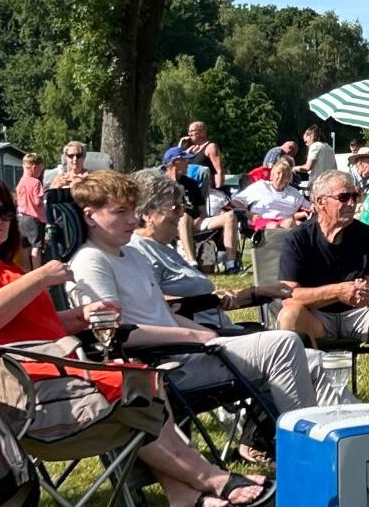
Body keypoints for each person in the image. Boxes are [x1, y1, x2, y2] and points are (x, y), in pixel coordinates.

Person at [0, 176, 271, 507]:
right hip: (12, 386)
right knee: (133, 392)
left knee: (141, 385)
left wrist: (79, 317)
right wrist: (38, 278)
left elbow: (29, 324)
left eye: (6, 212)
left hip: (33, 368)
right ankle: (213, 479)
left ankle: (182, 495)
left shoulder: (2, 263)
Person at [123, 174, 342, 410]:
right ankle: (305, 439)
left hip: (219, 336)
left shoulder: (165, 249)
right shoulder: (140, 251)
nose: (181, 213)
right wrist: (210, 305)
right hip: (197, 348)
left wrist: (256, 291)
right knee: (289, 347)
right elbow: (155, 304)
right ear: (146, 213)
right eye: (174, 207)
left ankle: (345, 428)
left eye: (182, 206)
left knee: (312, 360)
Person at [277, 170, 369, 348]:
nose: (351, 203)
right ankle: (307, 373)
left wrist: (368, 295)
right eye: (343, 197)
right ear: (320, 202)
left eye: (355, 196)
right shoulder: (298, 238)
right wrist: (338, 292)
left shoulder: (367, 235)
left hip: (359, 315)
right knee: (289, 315)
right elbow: (288, 296)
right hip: (316, 318)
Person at [163, 147, 242, 273]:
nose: (188, 163)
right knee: (184, 217)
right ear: (174, 162)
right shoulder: (162, 184)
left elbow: (202, 210)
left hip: (196, 222)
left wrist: (201, 218)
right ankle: (192, 262)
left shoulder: (191, 183)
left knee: (230, 216)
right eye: (184, 160)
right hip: (172, 223)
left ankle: (231, 264)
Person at [230, 157, 311, 231]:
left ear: (289, 179)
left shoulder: (294, 192)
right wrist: (249, 215)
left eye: (285, 175)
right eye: (278, 173)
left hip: (286, 222)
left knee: (296, 224)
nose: (281, 177)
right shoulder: (261, 186)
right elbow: (236, 201)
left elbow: (310, 207)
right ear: (272, 175)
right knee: (274, 226)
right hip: (263, 221)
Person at [14, 152, 46, 256]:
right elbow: (37, 202)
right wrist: (42, 201)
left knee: (25, 248)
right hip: (34, 219)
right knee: (36, 247)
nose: (41, 173)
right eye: (40, 170)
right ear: (34, 167)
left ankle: (26, 271)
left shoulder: (20, 183)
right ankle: (38, 270)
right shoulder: (36, 182)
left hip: (21, 218)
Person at [186, 120, 226, 189]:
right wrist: (180, 146)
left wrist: (218, 189)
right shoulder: (190, 149)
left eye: (192, 131)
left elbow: (219, 171)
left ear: (202, 132)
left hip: (207, 191)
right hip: (191, 190)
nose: (190, 134)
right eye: (189, 131)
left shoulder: (211, 147)